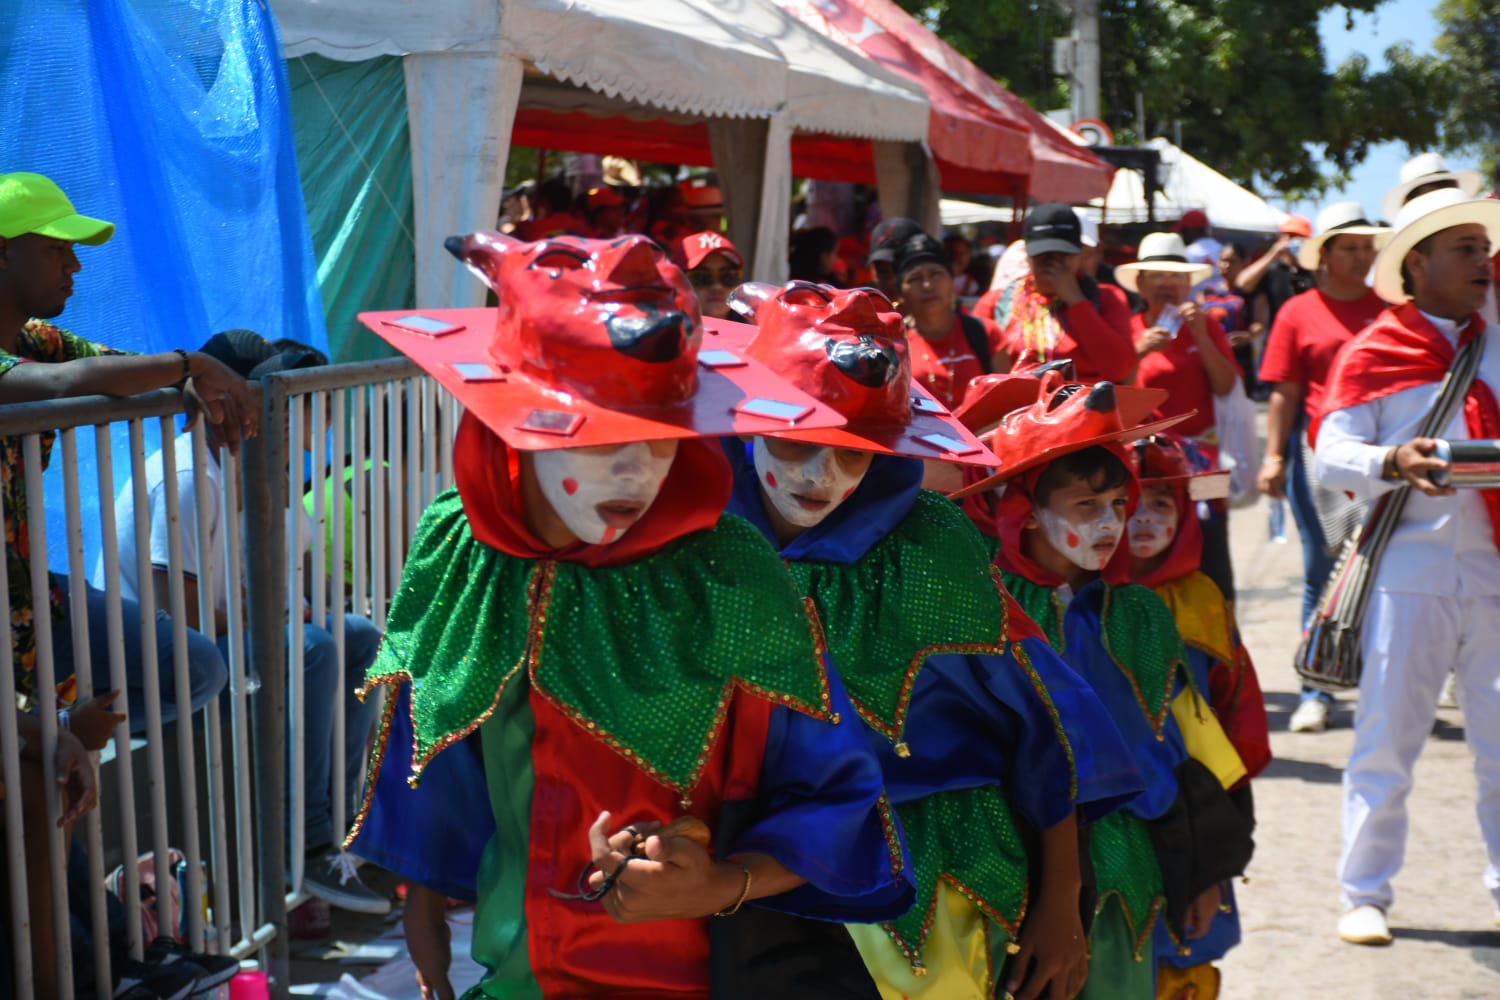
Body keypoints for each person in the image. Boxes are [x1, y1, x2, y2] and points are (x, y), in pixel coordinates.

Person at [348, 232, 913, 999]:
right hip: (516, 975)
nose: (634, 472)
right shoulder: (462, 546)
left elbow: (837, 786)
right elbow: (435, 740)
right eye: (600, 434)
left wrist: (722, 883)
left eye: (661, 438)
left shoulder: (727, 571)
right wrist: (421, 914)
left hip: (698, 979)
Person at [719, 280, 1141, 1000]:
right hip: (746, 876)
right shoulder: (694, 547)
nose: (822, 476)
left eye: (854, 452)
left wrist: (1060, 903)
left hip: (937, 872)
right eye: (797, 442)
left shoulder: (928, 550)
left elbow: (1048, 728)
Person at [954, 373, 1254, 1000]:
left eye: (1119, 503)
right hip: (1010, 857)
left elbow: (1190, 744)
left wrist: (1207, 871)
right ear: (1023, 511)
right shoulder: (988, 607)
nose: (1113, 522)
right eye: (1086, 506)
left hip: (1130, 858)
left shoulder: (1140, 615)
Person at [94, 330, 387, 915]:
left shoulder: (239, 462)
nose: (282, 419)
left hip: (216, 646)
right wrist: (277, 615)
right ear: (224, 401)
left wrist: (285, 608)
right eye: (271, 402)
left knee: (359, 636)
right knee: (310, 648)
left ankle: (342, 831)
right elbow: (185, 620)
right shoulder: (187, 474)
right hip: (166, 668)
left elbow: (266, 582)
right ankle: (302, 843)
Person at [1313, 188, 1500, 947]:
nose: (1483, 264)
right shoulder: (1372, 350)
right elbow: (1330, 454)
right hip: (1407, 571)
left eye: (1484, 251)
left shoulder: (1498, 343)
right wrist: (1392, 459)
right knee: (1387, 739)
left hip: (1491, 570)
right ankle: (1363, 894)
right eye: (1465, 250)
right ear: (1417, 264)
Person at [0, 171, 252, 726]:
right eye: (56, 249)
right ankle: (49, 734)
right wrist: (192, 365)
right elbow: (64, 385)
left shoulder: (39, 339)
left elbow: (114, 368)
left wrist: (185, 382)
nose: (75, 266)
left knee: (198, 668)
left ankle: (53, 734)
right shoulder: (39, 358)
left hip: (26, 591)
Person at [1126, 434, 1271, 998]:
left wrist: (1211, 862)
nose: (1141, 517)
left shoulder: (1203, 603)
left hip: (1192, 813)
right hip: (1106, 826)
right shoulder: (1069, 603)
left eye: (1162, 503)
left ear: (1187, 513)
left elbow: (1235, 730)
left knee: (1182, 962)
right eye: (1129, 499)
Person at [1255, 202, 1389, 734]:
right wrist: (1272, 457)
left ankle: (1381, 687)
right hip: (1316, 460)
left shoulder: (1390, 310)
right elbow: (1284, 394)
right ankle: (1317, 689)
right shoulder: (1296, 311)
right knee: (1321, 571)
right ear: (1325, 255)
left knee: (1381, 573)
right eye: (1349, 248)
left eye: (1366, 247)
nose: (1361, 257)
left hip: (1383, 462)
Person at [1118, 232, 1242, 601]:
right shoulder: (1127, 330)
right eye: (1156, 275)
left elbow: (1225, 386)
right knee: (1146, 551)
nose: (1167, 284)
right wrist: (1137, 354)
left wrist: (1202, 334)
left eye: (1175, 276)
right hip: (1145, 464)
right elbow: (1109, 398)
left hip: (1203, 461)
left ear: (1189, 283)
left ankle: (1220, 635)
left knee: (1213, 547)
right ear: (1141, 284)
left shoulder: (1208, 325)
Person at [979, 204, 1136, 385]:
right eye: (1042, 255)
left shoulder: (1108, 298)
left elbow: (1119, 369)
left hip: (1084, 408)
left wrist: (1075, 300)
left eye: (1062, 255)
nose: (1052, 264)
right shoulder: (997, 302)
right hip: (1017, 408)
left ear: (1079, 255)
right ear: (1027, 256)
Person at [896, 234, 1004, 409]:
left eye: (936, 274)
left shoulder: (986, 333)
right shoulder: (896, 346)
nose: (927, 286)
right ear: (901, 293)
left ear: (952, 281)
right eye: (915, 278)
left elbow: (1007, 405)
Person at [671, 231, 744, 323]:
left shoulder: (756, 333)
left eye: (728, 277)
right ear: (676, 282)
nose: (717, 287)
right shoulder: (659, 334)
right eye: (702, 277)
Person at [866, 216, 924, 302]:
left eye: (899, 270)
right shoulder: (864, 311)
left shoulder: (942, 312)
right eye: (882, 272)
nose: (891, 281)